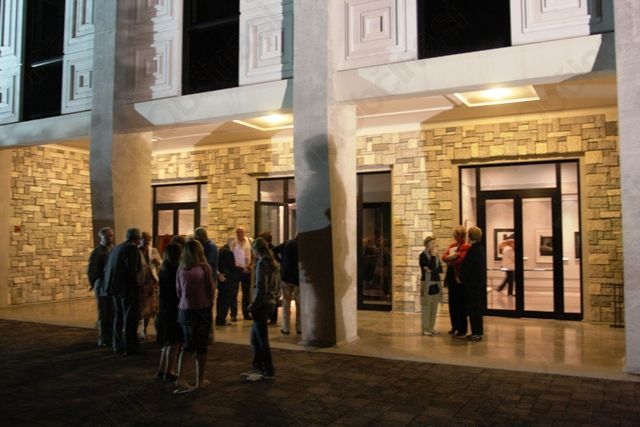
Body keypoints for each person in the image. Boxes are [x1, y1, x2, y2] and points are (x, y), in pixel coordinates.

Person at [174, 240, 216, 394]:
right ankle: (200, 380)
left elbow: (178, 291)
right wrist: (209, 303)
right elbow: (210, 290)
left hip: (185, 310)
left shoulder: (181, 268)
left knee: (188, 345)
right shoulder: (204, 268)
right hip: (201, 309)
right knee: (201, 346)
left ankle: (181, 377)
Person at [242, 238, 278, 382]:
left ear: (256, 250)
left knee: (261, 340)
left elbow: (261, 288)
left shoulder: (262, 264)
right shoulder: (272, 263)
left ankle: (268, 369)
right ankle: (258, 367)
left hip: (262, 305)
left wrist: (253, 305)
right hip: (269, 302)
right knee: (255, 338)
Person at [102, 228, 143, 355]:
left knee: (118, 316)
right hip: (127, 288)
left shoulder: (117, 248)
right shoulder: (132, 249)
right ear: (137, 238)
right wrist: (136, 286)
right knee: (130, 318)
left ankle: (117, 345)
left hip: (116, 288)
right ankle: (131, 347)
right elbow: (132, 270)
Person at [155, 243, 183, 382]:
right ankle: (170, 370)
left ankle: (162, 369)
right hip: (174, 308)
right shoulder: (176, 270)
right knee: (175, 342)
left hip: (164, 308)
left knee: (168, 342)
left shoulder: (163, 268)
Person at [87, 227, 115, 347]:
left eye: (111, 235)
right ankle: (103, 338)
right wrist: (94, 284)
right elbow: (92, 270)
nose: (110, 238)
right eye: (108, 236)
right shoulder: (98, 252)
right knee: (104, 312)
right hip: (102, 285)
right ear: (102, 237)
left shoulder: (112, 250)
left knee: (112, 312)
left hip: (111, 285)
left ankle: (111, 336)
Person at [442, 226, 471, 338]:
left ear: (461, 236)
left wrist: (451, 259)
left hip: (460, 279)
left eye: (456, 234)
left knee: (461, 304)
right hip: (452, 278)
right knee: (452, 304)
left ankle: (462, 329)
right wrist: (453, 257)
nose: (454, 236)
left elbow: (461, 260)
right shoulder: (452, 245)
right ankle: (454, 326)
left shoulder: (466, 246)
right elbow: (444, 257)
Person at [460, 226, 487, 341]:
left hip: (472, 285)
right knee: (477, 309)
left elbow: (466, 268)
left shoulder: (472, 250)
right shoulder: (480, 248)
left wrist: (460, 274)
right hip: (479, 284)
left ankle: (476, 333)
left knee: (473, 309)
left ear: (470, 236)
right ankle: (478, 332)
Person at [139, 231, 161, 340]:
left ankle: (157, 331)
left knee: (154, 308)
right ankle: (143, 330)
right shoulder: (137, 251)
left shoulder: (153, 250)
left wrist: (157, 262)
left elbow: (160, 263)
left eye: (149, 239)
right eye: (145, 239)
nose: (147, 241)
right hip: (142, 284)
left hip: (152, 282)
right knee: (144, 309)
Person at [419, 236, 442, 336]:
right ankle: (425, 328)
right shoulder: (422, 256)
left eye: (435, 243)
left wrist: (432, 269)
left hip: (436, 282)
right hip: (427, 283)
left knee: (434, 306)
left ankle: (431, 327)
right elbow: (431, 267)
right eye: (432, 243)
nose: (434, 245)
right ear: (426, 244)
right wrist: (432, 258)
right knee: (426, 306)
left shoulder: (436, 255)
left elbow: (440, 269)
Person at [278, 235, 300, 335]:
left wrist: (281, 261)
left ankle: (286, 328)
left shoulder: (287, 243)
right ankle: (299, 327)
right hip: (297, 278)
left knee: (286, 303)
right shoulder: (302, 246)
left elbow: (274, 250)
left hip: (286, 277)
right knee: (299, 304)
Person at [232, 226, 253, 320]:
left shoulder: (250, 241)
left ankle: (246, 313)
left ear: (244, 232)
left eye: (241, 232)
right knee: (234, 292)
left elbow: (253, 254)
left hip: (246, 269)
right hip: (236, 269)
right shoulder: (233, 242)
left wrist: (250, 266)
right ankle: (233, 314)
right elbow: (231, 255)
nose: (239, 234)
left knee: (246, 293)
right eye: (238, 232)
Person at [259, 231, 280, 325]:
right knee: (272, 295)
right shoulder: (272, 248)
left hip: (270, 275)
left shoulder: (269, 249)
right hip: (273, 275)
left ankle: (271, 317)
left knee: (270, 295)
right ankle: (272, 317)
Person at [215, 237, 236, 326]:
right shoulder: (229, 252)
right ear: (231, 243)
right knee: (226, 300)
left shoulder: (220, 250)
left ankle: (219, 318)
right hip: (227, 280)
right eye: (234, 245)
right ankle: (221, 319)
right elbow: (232, 267)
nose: (234, 247)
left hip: (221, 279)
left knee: (220, 299)